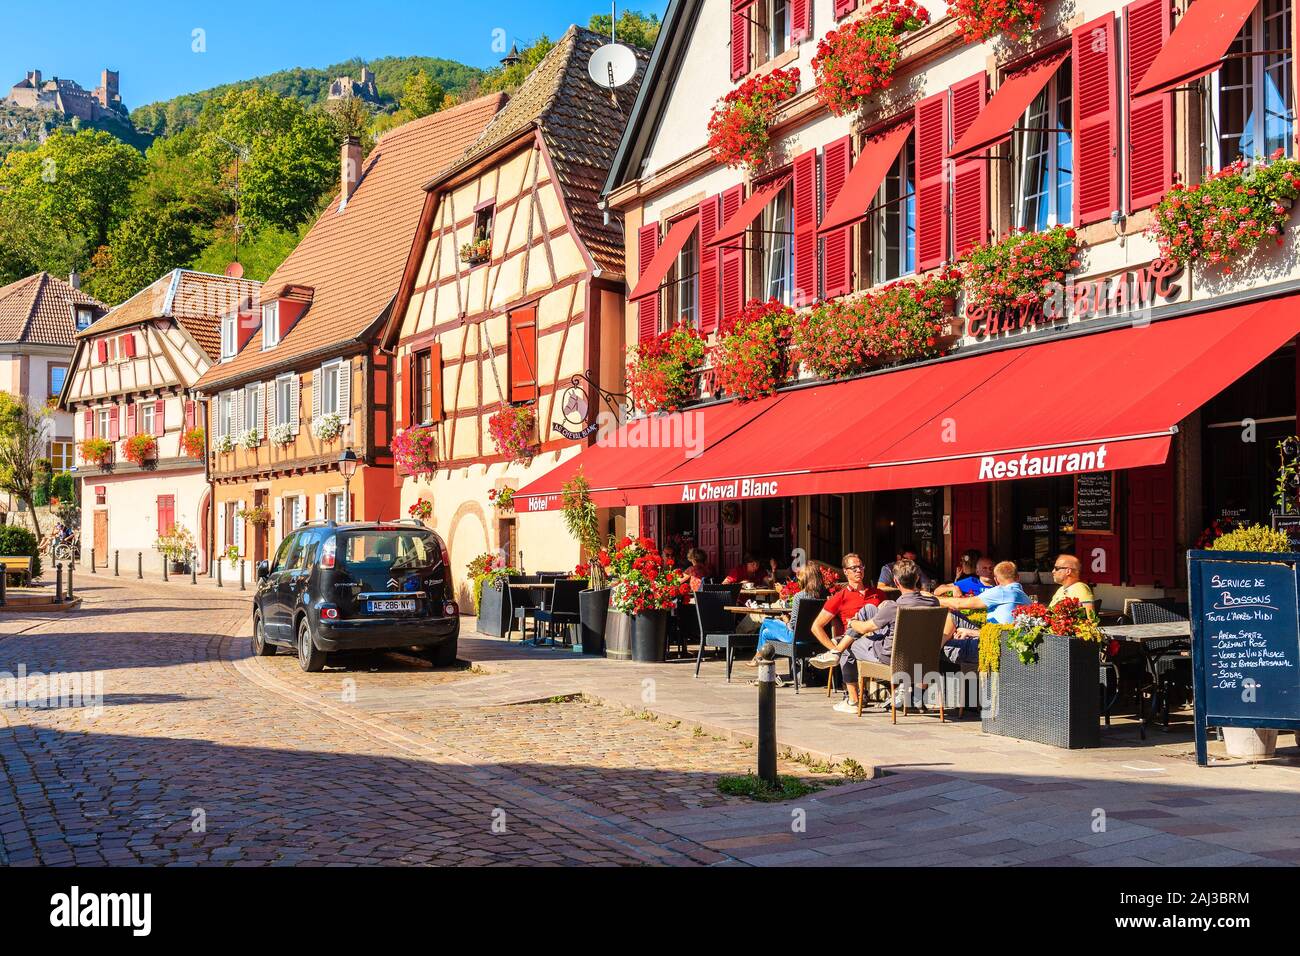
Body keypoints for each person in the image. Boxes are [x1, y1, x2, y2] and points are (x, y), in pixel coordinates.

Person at [828, 560, 939, 714]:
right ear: (917, 579)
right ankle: (915, 697)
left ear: (895, 582)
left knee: (848, 645)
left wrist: (853, 623)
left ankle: (852, 700)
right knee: (870, 610)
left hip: (890, 659)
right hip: (924, 659)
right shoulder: (933, 602)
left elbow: (865, 627)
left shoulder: (894, 607)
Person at [934, 560, 1031, 665]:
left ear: (996, 580)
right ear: (1018, 578)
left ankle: (931, 654)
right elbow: (1005, 630)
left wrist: (931, 598)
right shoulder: (1027, 598)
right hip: (1006, 643)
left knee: (944, 647)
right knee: (955, 615)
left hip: (993, 648)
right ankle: (936, 648)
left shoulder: (1000, 591)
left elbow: (958, 604)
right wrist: (971, 632)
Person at [808, 553, 884, 667]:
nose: (858, 570)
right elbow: (816, 627)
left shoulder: (878, 593)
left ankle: (836, 653)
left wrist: (837, 650)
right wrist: (833, 648)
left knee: (868, 611)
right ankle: (837, 652)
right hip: (853, 643)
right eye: (854, 568)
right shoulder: (840, 597)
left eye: (861, 566)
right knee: (850, 645)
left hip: (877, 640)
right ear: (845, 571)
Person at [746, 562, 828, 667]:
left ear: (805, 578)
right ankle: (759, 660)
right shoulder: (826, 596)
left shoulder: (800, 596)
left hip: (795, 638)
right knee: (765, 633)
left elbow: (792, 626)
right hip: (817, 638)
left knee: (766, 621)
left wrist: (785, 619)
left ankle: (759, 661)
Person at [1049, 553, 1096, 618]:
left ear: (1068, 571)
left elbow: (1090, 619)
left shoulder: (1080, 588)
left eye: (1057, 568)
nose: (1053, 571)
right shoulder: (1060, 589)